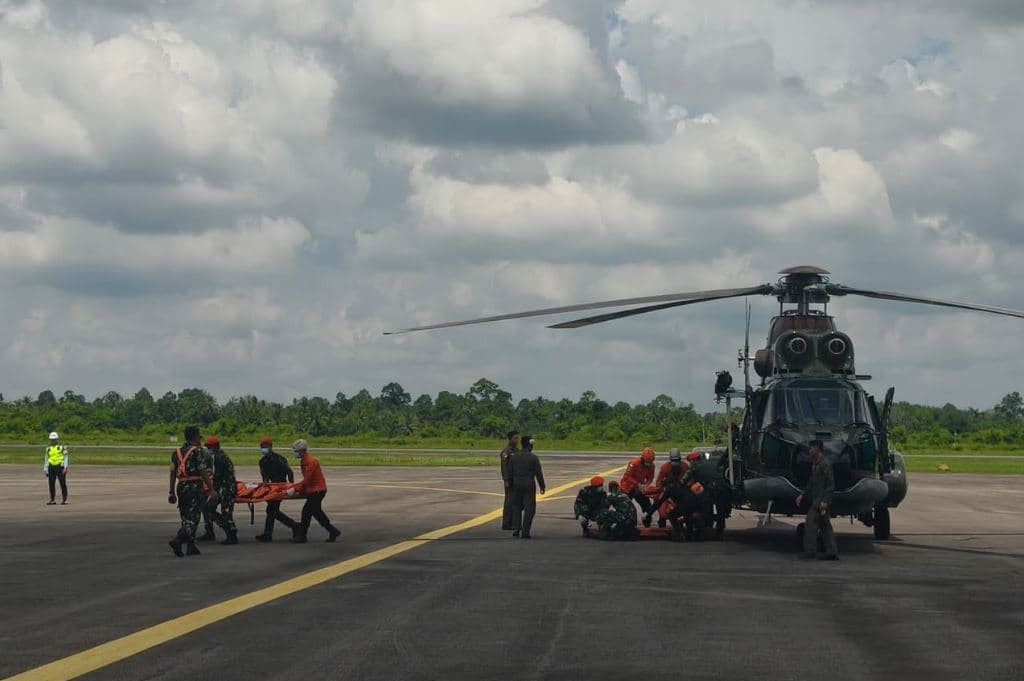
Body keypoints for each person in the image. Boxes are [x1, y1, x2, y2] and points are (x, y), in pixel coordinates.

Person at [168, 426, 217, 557]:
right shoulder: (197, 452)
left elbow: (172, 473)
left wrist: (171, 492)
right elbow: (203, 471)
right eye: (199, 437)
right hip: (194, 487)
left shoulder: (176, 452)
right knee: (193, 518)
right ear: (195, 437)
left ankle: (191, 546)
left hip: (181, 486)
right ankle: (177, 540)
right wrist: (211, 489)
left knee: (185, 517)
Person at [287, 439, 341, 543]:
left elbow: (308, 479)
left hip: (317, 491)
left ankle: (302, 536)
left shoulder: (311, 461)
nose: (295, 453)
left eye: (296, 451)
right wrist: (299, 489)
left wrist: (295, 488)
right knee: (317, 513)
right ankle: (332, 531)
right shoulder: (304, 460)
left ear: (302, 450)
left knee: (306, 512)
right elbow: (307, 481)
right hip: (314, 490)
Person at [796, 440, 839, 561]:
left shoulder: (825, 464)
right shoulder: (815, 464)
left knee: (810, 523)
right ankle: (832, 552)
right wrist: (802, 495)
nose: (809, 451)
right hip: (816, 500)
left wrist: (825, 501)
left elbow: (830, 485)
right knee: (825, 526)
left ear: (817, 449)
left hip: (821, 502)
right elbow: (811, 482)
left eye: (811, 448)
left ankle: (810, 551)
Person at [255, 436, 297, 542]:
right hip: (271, 488)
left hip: (281, 487)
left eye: (265, 447)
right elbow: (265, 477)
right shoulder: (262, 461)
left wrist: (291, 486)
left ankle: (293, 526)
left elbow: (289, 472)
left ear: (270, 447)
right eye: (261, 447)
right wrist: (265, 488)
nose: (263, 449)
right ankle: (292, 526)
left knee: (271, 510)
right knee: (272, 510)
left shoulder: (279, 459)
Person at [199, 436, 238, 545]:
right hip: (225, 488)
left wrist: (212, 490)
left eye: (209, 447)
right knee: (209, 508)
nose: (207, 449)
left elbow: (217, 476)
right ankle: (227, 531)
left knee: (225, 513)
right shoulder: (220, 456)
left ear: (215, 446)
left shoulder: (219, 458)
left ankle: (231, 533)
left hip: (226, 489)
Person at [685, 452, 732, 539]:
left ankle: (708, 527)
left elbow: (685, 478)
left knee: (706, 507)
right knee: (720, 508)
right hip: (722, 488)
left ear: (692, 460)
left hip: (709, 489)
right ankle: (720, 528)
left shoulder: (695, 465)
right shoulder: (713, 461)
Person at [506, 435, 546, 538]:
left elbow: (509, 473)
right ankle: (525, 531)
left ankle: (516, 529)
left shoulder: (514, 457)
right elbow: (538, 473)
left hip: (516, 483)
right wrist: (542, 486)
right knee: (529, 508)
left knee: (517, 507)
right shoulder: (534, 458)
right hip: (529, 483)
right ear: (530, 446)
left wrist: (510, 485)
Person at [649, 477, 707, 542]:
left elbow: (659, 502)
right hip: (696, 506)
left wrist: (649, 513)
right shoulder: (684, 485)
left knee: (671, 514)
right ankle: (692, 534)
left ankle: (680, 534)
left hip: (685, 507)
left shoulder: (668, 489)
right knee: (688, 514)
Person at [620, 448, 657, 527]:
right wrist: (638, 484)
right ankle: (624, 524)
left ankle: (647, 524)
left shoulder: (652, 466)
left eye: (650, 462)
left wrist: (646, 485)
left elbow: (650, 478)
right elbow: (627, 476)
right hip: (627, 487)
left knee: (647, 506)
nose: (649, 463)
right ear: (642, 458)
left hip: (638, 489)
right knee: (625, 507)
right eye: (647, 461)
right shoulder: (633, 463)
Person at [653, 448, 689, 527]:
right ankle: (662, 520)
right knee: (660, 502)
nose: (675, 462)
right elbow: (659, 481)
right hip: (669, 491)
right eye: (673, 460)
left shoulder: (685, 467)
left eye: (677, 460)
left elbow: (690, 480)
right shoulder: (665, 468)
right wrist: (662, 490)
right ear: (670, 459)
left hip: (682, 490)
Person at [500, 430, 521, 531]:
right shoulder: (506, 452)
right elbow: (504, 467)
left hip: (516, 480)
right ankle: (506, 523)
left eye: (518, 438)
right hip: (510, 480)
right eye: (515, 438)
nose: (517, 440)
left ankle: (513, 523)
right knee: (509, 502)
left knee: (515, 502)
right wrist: (506, 480)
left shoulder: (517, 451)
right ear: (510, 439)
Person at [43, 431, 69, 506]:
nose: (53, 440)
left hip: (60, 466)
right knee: (51, 484)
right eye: (51, 439)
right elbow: (46, 458)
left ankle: (65, 499)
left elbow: (66, 457)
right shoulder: (48, 448)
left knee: (62, 483)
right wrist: (45, 468)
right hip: (51, 467)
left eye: (54, 439)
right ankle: (52, 499)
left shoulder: (62, 447)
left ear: (57, 439)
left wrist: (65, 467)